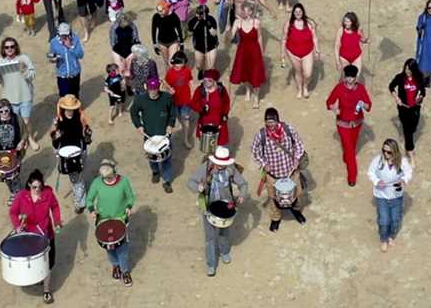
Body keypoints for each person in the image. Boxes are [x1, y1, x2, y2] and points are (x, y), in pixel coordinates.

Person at [187, 146, 249, 276]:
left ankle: (224, 252)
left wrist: (242, 195)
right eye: (219, 163)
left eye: (223, 164)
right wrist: (198, 188)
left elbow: (243, 184)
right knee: (210, 238)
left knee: (224, 232)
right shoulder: (206, 168)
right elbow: (191, 182)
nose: (221, 166)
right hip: (208, 207)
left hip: (225, 206)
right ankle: (211, 264)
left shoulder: (231, 169)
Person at [8, 169, 62, 304]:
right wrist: (17, 226)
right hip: (28, 237)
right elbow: (13, 212)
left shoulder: (48, 194)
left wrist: (57, 221)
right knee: (32, 262)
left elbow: (55, 207)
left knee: (47, 264)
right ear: (29, 184)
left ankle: (46, 291)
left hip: (45, 235)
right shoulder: (21, 196)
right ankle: (37, 278)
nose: (37, 190)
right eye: (34, 187)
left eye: (39, 187)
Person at [249, 108, 307, 231]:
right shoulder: (261, 135)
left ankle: (296, 211)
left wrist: (297, 158)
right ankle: (276, 218)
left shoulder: (288, 130)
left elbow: (299, 144)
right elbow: (254, 151)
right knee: (273, 197)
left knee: (296, 194)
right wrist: (264, 164)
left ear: (277, 121)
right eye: (268, 123)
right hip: (273, 175)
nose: (270, 125)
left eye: (272, 122)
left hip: (290, 172)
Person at [86, 158, 137, 286]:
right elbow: (89, 200)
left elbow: (131, 197)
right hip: (103, 220)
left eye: (109, 177)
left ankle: (125, 271)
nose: (107, 179)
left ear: (115, 171)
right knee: (109, 247)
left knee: (122, 249)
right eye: (104, 177)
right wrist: (92, 210)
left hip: (120, 219)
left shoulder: (124, 182)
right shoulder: (97, 183)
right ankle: (115, 266)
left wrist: (129, 207)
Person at [326, 65, 372, 186]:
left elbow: (368, 106)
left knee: (352, 145)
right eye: (347, 77)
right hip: (343, 124)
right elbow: (329, 102)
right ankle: (352, 176)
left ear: (355, 77)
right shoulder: (339, 88)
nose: (349, 79)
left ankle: (346, 156)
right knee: (351, 151)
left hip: (357, 123)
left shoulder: (361, 88)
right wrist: (335, 109)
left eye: (352, 77)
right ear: (344, 77)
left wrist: (363, 104)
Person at [0, 37, 40, 150]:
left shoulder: (24, 58)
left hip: (25, 95)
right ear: (3, 49)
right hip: (9, 99)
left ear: (16, 47)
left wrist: (24, 70)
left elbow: (32, 75)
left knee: (26, 120)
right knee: (15, 122)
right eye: (7, 47)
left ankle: (30, 138)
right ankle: (21, 140)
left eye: (12, 46)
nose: (9, 49)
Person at [131, 76, 177, 192]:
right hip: (149, 135)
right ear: (146, 87)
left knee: (166, 159)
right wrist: (138, 125)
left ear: (159, 87)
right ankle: (155, 172)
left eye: (155, 89)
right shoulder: (140, 99)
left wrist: (170, 125)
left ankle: (166, 181)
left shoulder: (167, 98)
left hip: (164, 136)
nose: (153, 91)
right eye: (150, 89)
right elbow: (133, 112)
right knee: (152, 158)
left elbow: (172, 112)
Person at [368, 138, 413, 252]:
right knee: (384, 220)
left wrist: (403, 180)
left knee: (395, 220)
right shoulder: (378, 160)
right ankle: (383, 239)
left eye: (388, 152)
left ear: (395, 151)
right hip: (381, 196)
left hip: (396, 196)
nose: (385, 154)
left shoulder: (402, 161)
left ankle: (391, 236)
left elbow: (409, 172)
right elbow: (370, 172)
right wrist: (377, 181)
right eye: (384, 151)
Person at [50, 94, 92, 212]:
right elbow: (54, 140)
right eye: (68, 108)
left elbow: (87, 138)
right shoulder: (58, 120)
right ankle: (80, 198)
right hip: (65, 154)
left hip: (79, 151)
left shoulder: (80, 117)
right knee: (75, 178)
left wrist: (88, 134)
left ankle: (80, 200)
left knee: (77, 177)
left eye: (72, 108)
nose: (70, 111)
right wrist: (56, 137)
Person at [0, 98, 28, 198]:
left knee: (14, 175)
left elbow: (25, 132)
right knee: (5, 176)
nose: (4, 113)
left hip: (14, 152)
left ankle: (17, 195)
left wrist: (22, 141)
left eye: (6, 110)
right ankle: (13, 191)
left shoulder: (17, 119)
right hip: (0, 154)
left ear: (10, 109)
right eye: (1, 111)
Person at [388, 58, 426, 163]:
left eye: (409, 69)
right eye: (406, 68)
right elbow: (391, 86)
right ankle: (411, 154)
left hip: (415, 108)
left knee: (413, 128)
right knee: (408, 132)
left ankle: (407, 140)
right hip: (403, 108)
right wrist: (397, 98)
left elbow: (423, 91)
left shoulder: (419, 78)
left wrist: (420, 97)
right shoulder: (400, 77)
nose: (407, 71)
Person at [282, 3, 318, 99]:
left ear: (303, 12)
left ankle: (305, 86)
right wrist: (282, 53)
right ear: (293, 13)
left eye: (300, 11)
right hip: (292, 52)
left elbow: (314, 37)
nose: (298, 13)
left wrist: (317, 50)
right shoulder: (288, 24)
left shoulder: (309, 23)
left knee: (308, 73)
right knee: (298, 71)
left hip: (307, 51)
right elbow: (284, 39)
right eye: (296, 12)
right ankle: (300, 89)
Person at [49, 22, 85, 97]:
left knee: (75, 95)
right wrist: (53, 59)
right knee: (63, 97)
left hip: (74, 73)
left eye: (66, 35)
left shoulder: (75, 39)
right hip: (62, 75)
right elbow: (52, 56)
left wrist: (70, 47)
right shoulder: (54, 42)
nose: (64, 37)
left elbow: (80, 55)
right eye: (62, 35)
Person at [334, 11, 368, 76]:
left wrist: (366, 40)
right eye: (345, 21)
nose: (346, 23)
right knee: (346, 77)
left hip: (356, 57)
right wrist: (337, 62)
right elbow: (336, 47)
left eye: (348, 21)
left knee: (356, 77)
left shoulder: (359, 29)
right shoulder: (341, 31)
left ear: (353, 21)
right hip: (344, 58)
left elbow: (362, 39)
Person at [186, 4, 219, 72]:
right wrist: (193, 29)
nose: (197, 15)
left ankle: (210, 74)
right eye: (196, 13)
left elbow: (214, 33)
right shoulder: (193, 21)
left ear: (205, 14)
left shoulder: (211, 19)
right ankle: (202, 70)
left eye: (199, 14)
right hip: (199, 47)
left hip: (211, 46)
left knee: (210, 68)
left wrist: (208, 25)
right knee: (199, 66)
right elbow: (189, 34)